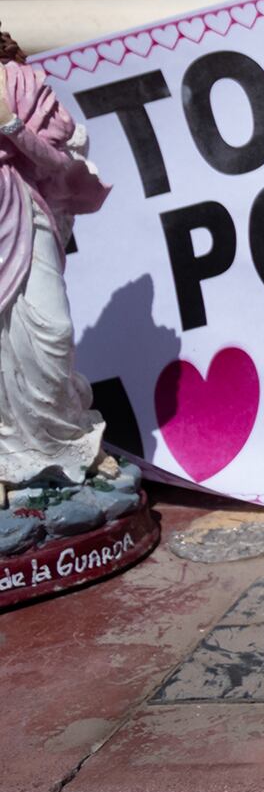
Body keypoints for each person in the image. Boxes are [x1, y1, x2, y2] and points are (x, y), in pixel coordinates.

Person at [0, 24, 117, 488]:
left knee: (53, 330)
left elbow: (54, 160)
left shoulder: (21, 81)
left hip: (23, 212)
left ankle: (68, 442)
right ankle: (10, 456)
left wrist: (9, 123)